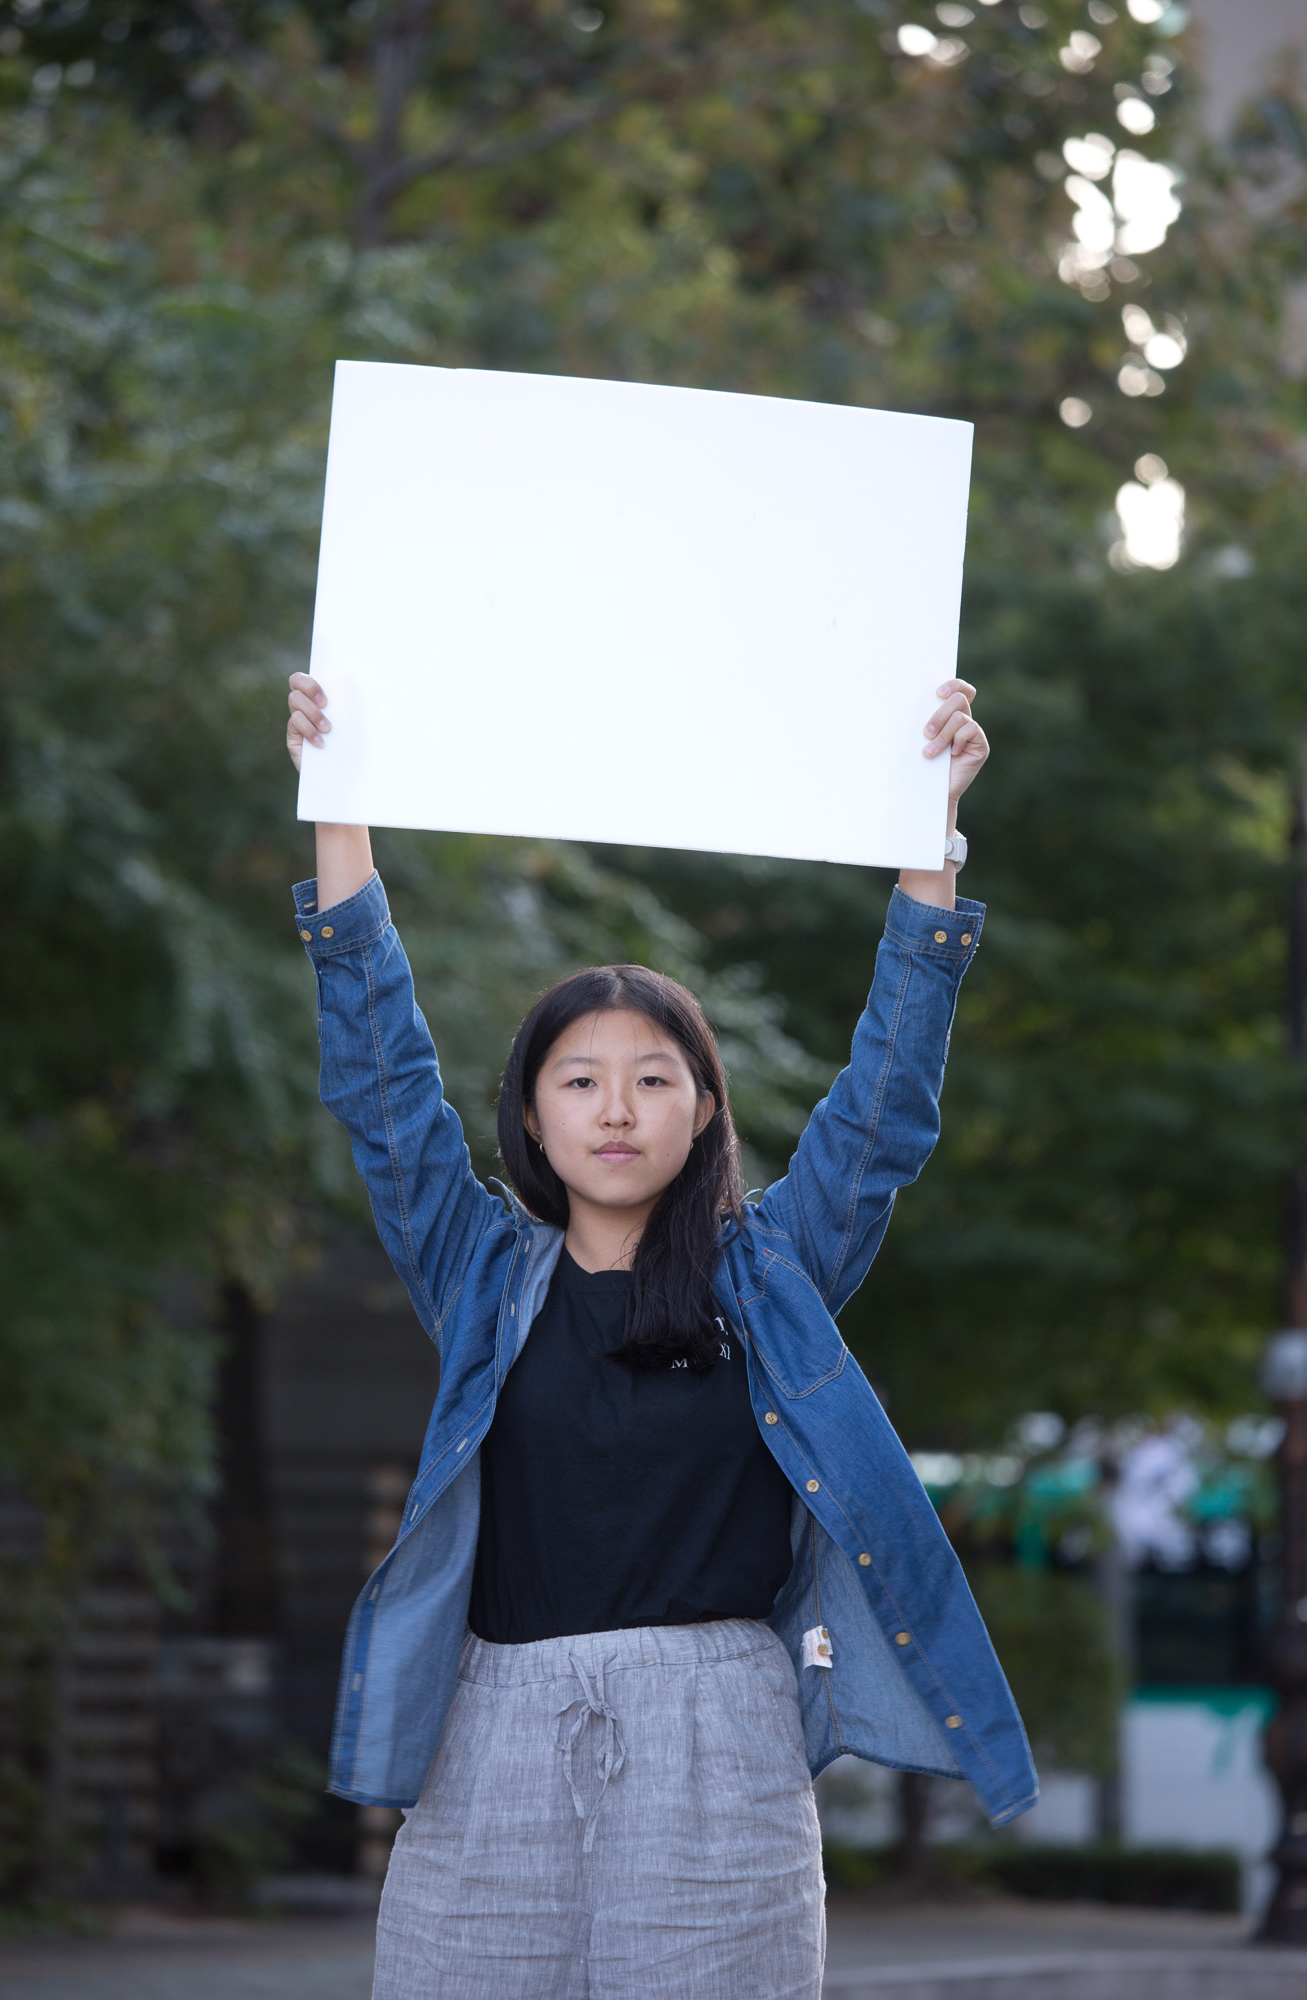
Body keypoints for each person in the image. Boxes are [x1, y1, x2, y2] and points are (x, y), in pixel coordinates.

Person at [285, 669, 1035, 2000]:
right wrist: (337, 808)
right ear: (530, 1118)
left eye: (652, 1079)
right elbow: (384, 1091)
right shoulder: (479, 1274)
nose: (615, 1108)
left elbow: (880, 1110)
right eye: (579, 1080)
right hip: (493, 1730)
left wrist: (931, 840)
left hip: (720, 1737)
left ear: (702, 1113)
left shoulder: (773, 1276)